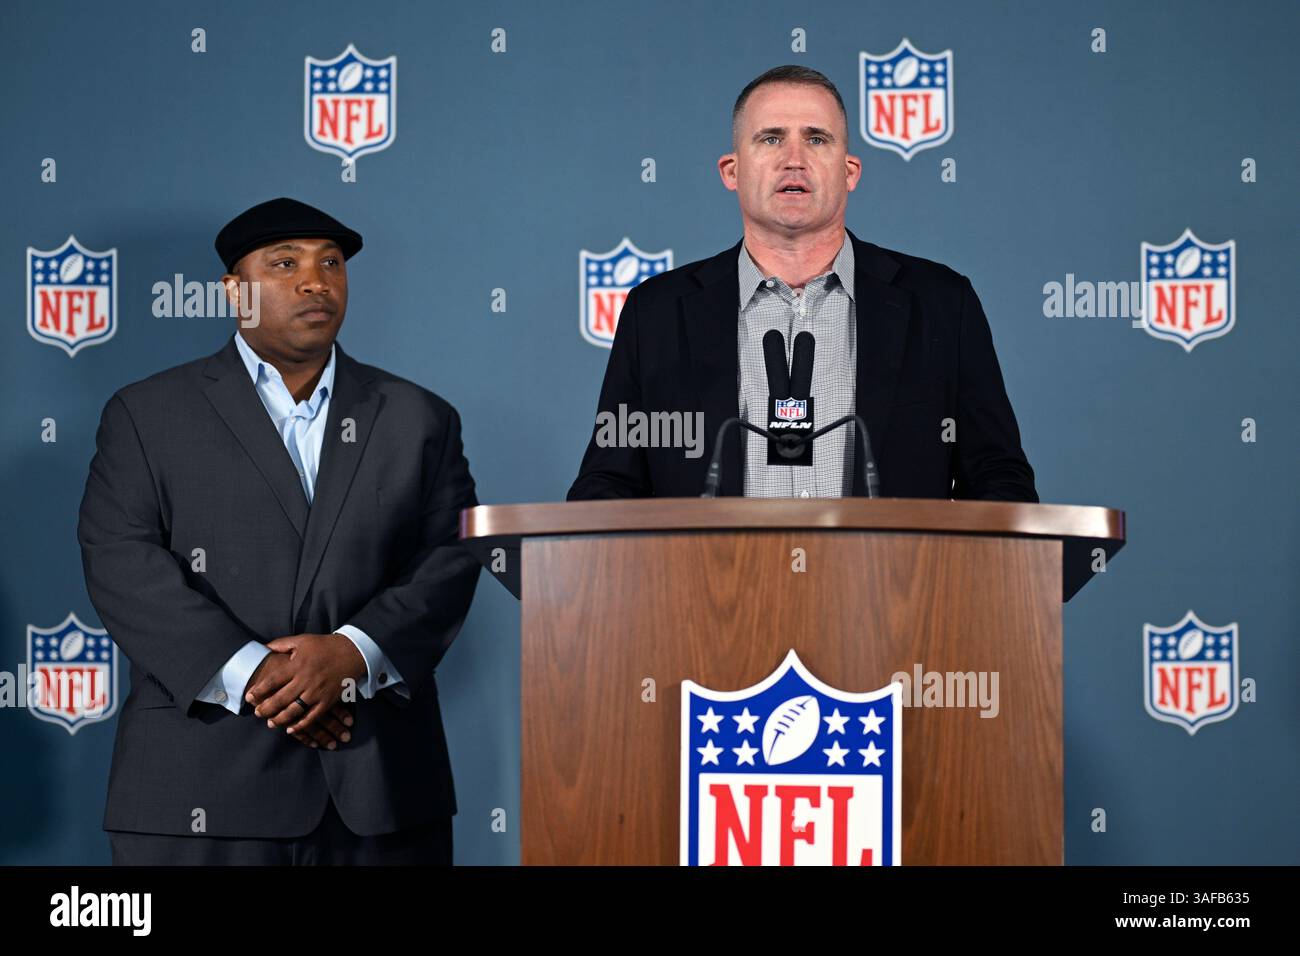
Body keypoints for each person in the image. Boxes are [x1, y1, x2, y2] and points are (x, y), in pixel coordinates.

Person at [77, 197, 480, 864]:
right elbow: (122, 563)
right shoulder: (147, 413)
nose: (316, 281)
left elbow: (451, 558)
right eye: (284, 264)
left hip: (380, 793)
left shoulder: (420, 417)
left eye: (331, 264)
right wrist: (264, 676)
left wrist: (351, 656)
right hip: (200, 791)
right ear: (234, 291)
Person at [568, 65, 1037, 502]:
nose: (794, 159)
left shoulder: (940, 304)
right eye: (771, 139)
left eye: (816, 139)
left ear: (849, 171)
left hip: (886, 590)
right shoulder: (658, 313)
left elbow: (997, 479)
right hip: (711, 590)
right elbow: (609, 485)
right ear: (732, 171)